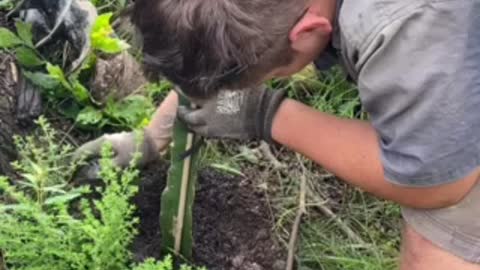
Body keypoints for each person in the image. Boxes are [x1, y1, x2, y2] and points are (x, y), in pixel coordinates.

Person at [76, 0, 480, 269]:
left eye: (269, 74)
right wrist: (151, 138)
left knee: (438, 248)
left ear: (307, 31)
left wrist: (268, 115)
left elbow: (440, 184)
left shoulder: (409, 28)